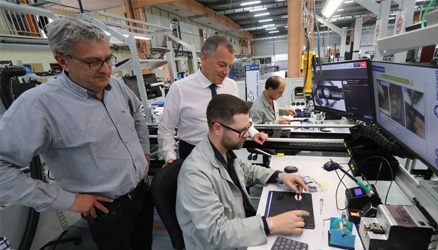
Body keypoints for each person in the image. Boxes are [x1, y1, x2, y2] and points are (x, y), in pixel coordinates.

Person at [0, 17, 153, 250]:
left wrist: (144, 154)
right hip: (108, 209)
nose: (106, 69)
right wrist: (68, 200)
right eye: (93, 62)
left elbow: (137, 115)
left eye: (108, 59)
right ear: (63, 61)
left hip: (142, 194)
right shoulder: (39, 106)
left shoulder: (116, 86)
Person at [175, 94, 310, 250]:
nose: (246, 135)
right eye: (241, 130)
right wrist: (271, 224)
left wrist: (280, 176)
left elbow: (249, 171)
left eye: (248, 127)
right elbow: (216, 232)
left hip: (240, 229)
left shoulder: (224, 151)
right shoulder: (195, 174)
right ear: (218, 128)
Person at [158, 35, 268, 165]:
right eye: (222, 65)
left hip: (225, 151)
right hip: (193, 154)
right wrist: (170, 156)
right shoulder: (180, 88)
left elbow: (239, 117)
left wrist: (253, 132)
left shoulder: (231, 86)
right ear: (205, 57)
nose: (226, 71)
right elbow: (166, 129)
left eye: (229, 66)